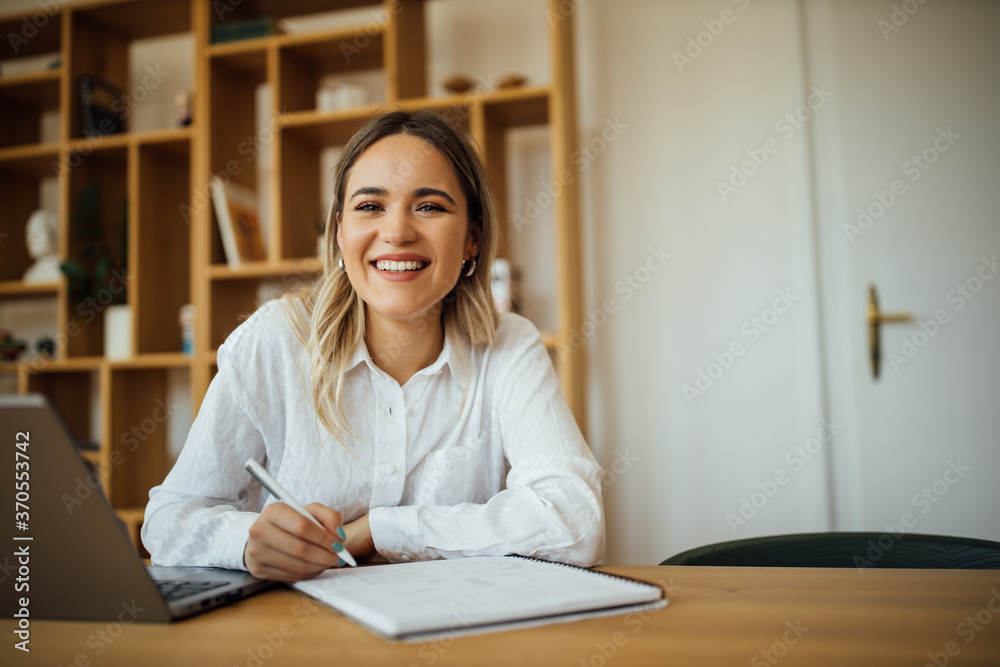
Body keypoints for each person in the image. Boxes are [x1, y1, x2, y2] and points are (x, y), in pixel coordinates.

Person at [142, 109, 604, 581]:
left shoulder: (510, 345)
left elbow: (574, 520)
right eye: (369, 206)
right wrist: (243, 542)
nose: (398, 232)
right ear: (339, 232)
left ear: (473, 239)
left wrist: (377, 531)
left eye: (430, 206)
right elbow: (168, 522)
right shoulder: (276, 340)